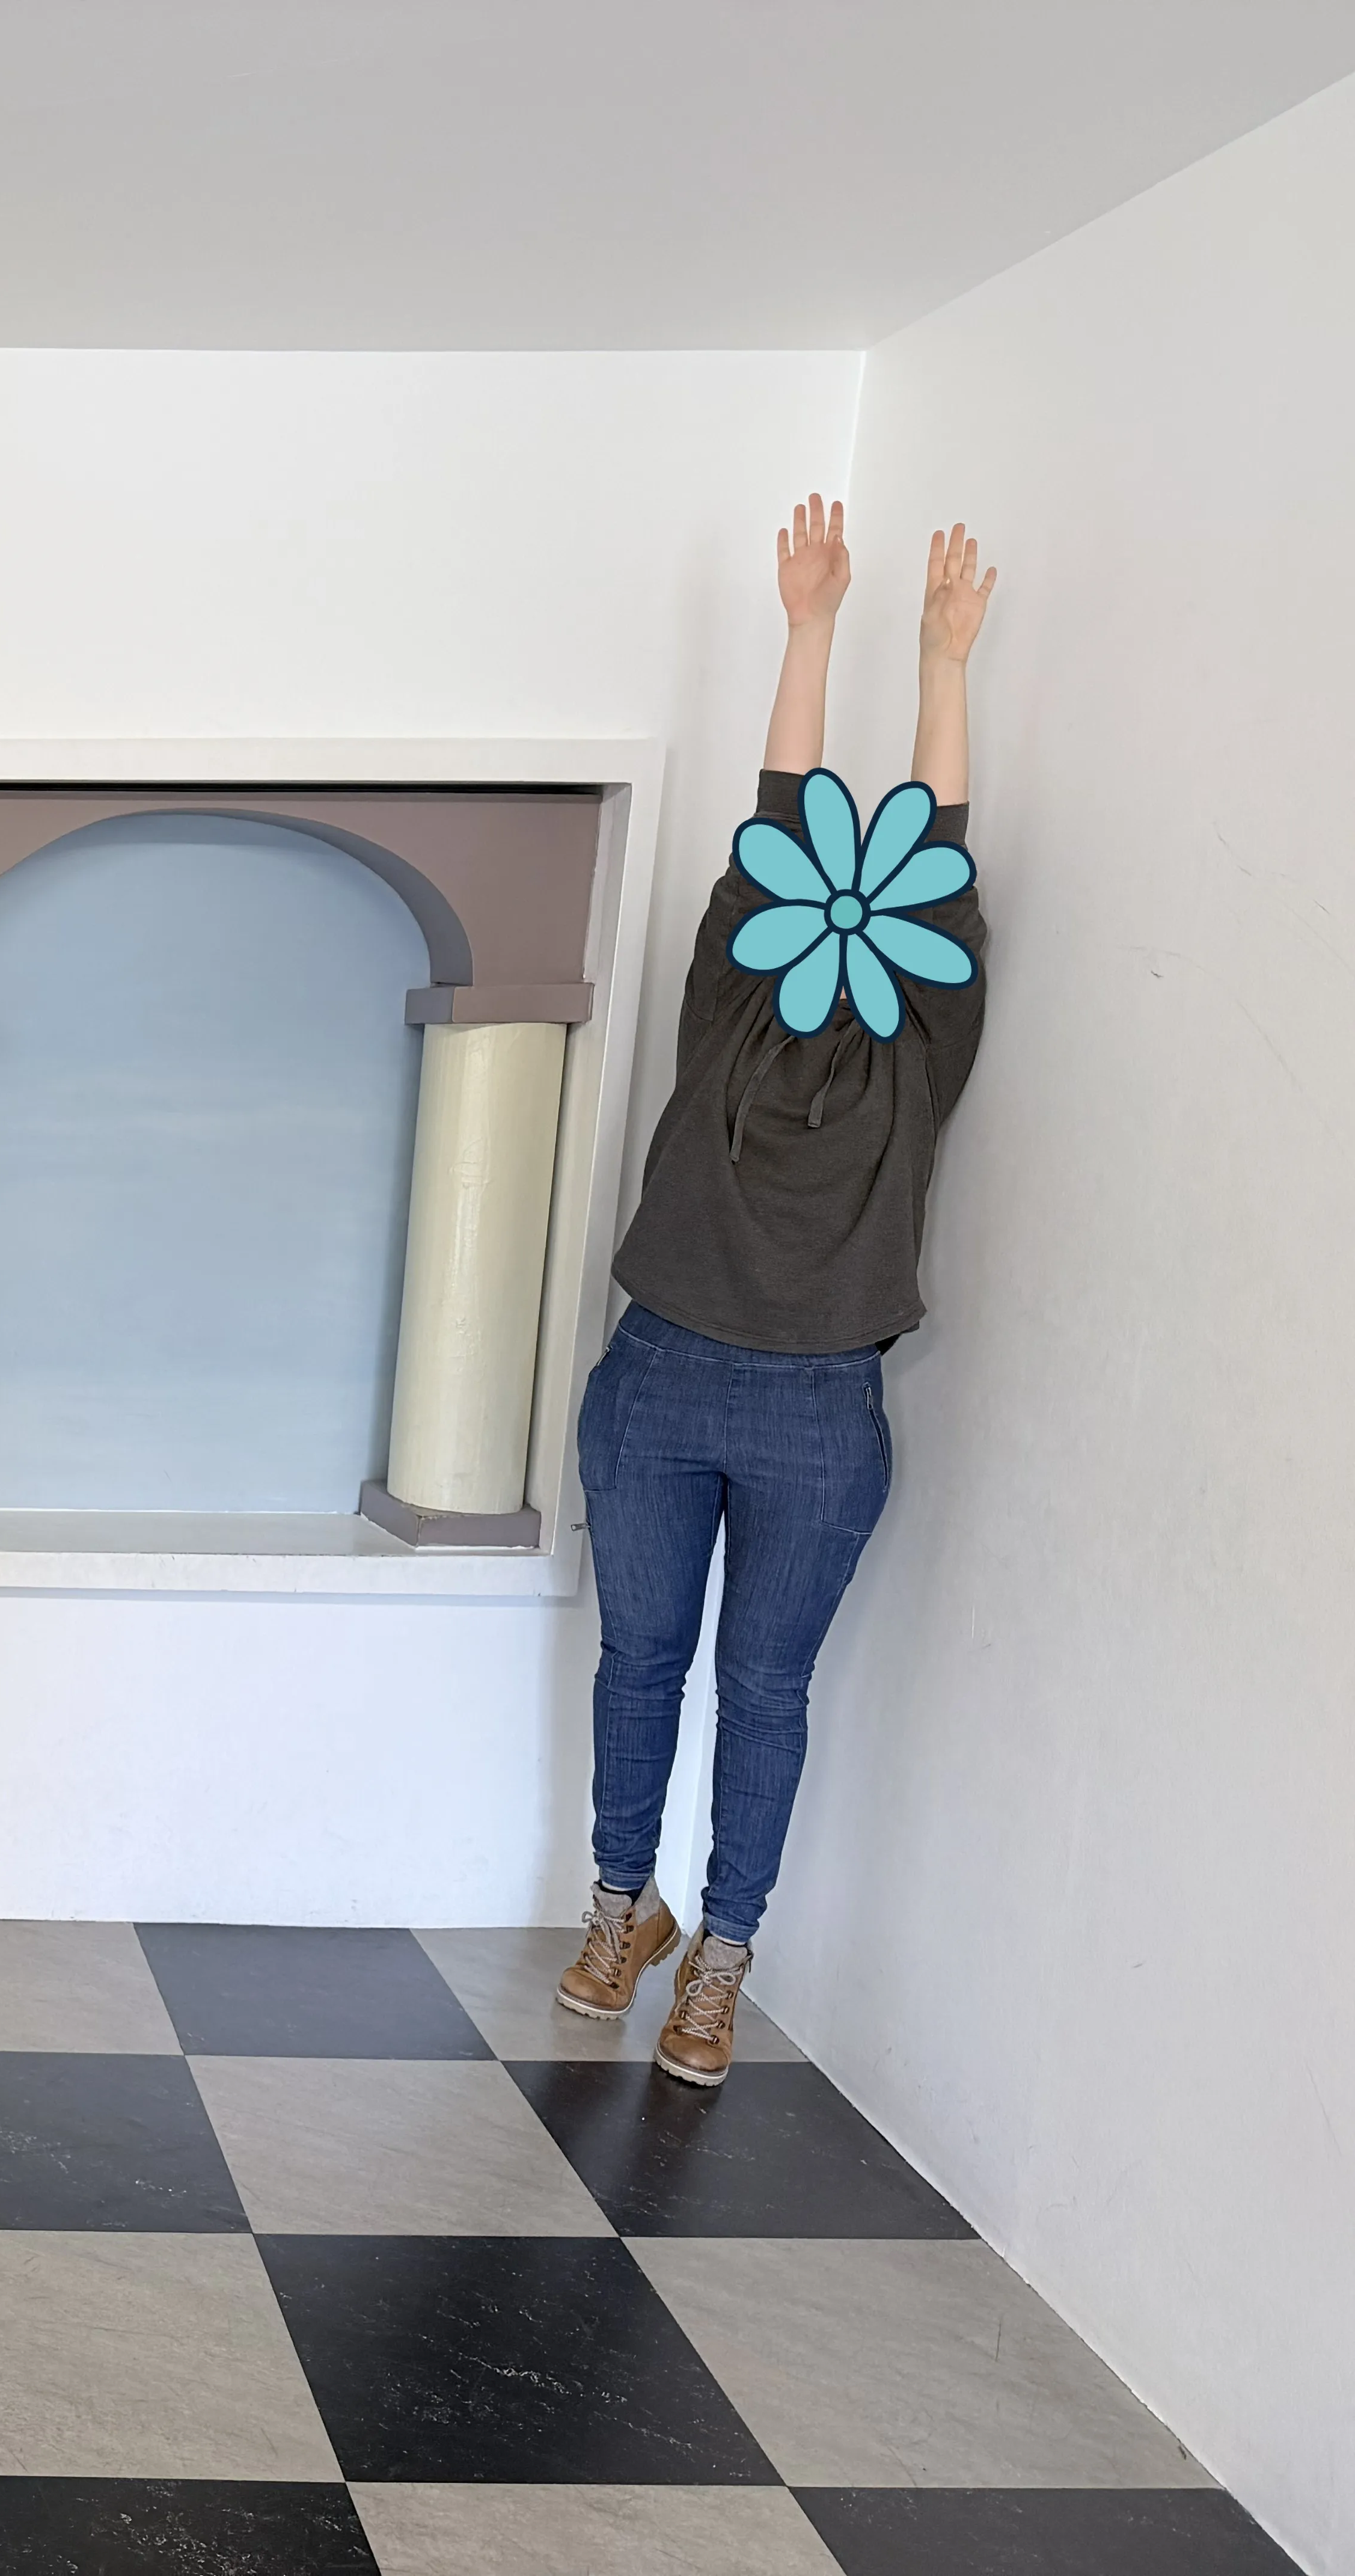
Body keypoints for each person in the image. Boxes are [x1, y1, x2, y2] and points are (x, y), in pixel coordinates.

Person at [555, 498, 997, 2083]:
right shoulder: (734, 1006)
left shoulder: (920, 1053)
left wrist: (946, 665)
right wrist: (808, 631)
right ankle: (624, 1908)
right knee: (640, 1662)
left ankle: (723, 1955)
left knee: (763, 1686)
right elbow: (778, 817)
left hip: (819, 1404)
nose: (844, 908)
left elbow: (934, 863)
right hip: (663, 1372)